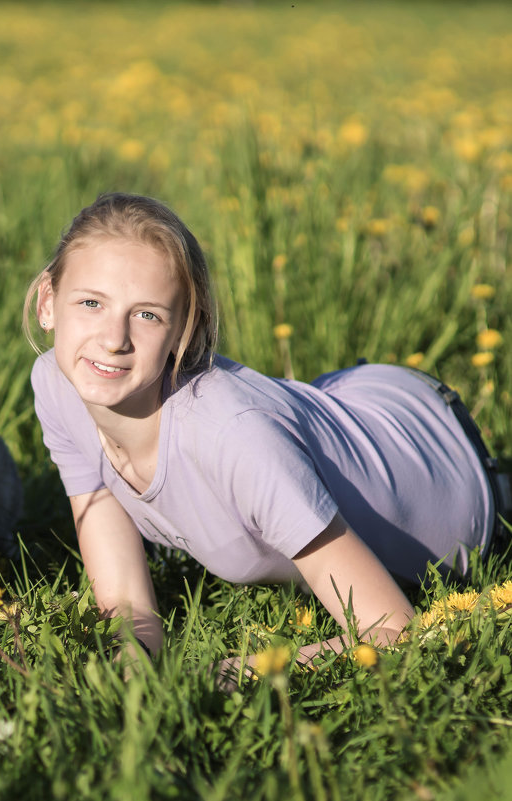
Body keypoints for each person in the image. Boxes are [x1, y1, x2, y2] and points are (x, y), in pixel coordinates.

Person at [26, 192, 509, 677]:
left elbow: (394, 631)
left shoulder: (235, 440)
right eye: (91, 302)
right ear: (48, 303)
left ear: (185, 333)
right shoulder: (58, 384)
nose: (113, 338)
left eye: (147, 314)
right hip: (339, 408)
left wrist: (226, 674)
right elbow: (127, 600)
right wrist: (131, 666)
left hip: (441, 463)